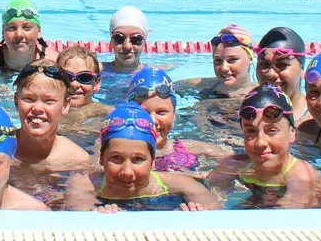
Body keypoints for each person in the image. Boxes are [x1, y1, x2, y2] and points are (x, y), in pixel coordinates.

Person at [64, 104, 215, 212]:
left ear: (153, 161)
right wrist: (97, 220)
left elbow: (216, 212)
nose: (127, 172)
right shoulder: (84, 184)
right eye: (116, 158)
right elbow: (78, 220)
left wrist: (197, 217)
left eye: (138, 159)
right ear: (101, 158)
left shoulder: (180, 184)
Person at [209, 85, 320, 208]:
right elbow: (211, 194)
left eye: (271, 131)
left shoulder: (301, 174)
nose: (260, 143)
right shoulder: (236, 165)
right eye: (251, 131)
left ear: (292, 133)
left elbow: (290, 214)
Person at [126, 66, 219, 172]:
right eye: (143, 113)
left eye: (161, 112)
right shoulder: (115, 154)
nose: (152, 121)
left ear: (174, 115)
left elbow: (230, 157)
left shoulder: (190, 149)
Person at [11, 63, 90, 178]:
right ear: (16, 101)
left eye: (49, 101)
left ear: (65, 105)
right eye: (28, 99)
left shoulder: (77, 160)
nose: (37, 108)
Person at [0, 0, 59, 71]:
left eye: (27, 28)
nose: (19, 34)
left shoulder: (54, 61)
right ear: (3, 32)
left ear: (39, 32)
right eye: (12, 28)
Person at [179, 23, 257, 99]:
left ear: (250, 58)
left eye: (232, 60)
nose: (224, 68)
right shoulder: (206, 85)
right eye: (218, 60)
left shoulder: (262, 94)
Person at [256, 27, 309, 123]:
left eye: (282, 65)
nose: (271, 74)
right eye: (264, 64)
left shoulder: (317, 121)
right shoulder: (247, 112)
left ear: (301, 69)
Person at [56, 45, 108, 126]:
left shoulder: (106, 114)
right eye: (66, 76)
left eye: (84, 77)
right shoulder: (45, 111)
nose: (74, 84)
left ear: (96, 84)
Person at [103, 6, 150, 83]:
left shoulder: (152, 74)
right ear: (111, 40)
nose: (127, 46)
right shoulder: (94, 70)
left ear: (144, 42)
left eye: (136, 39)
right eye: (119, 38)